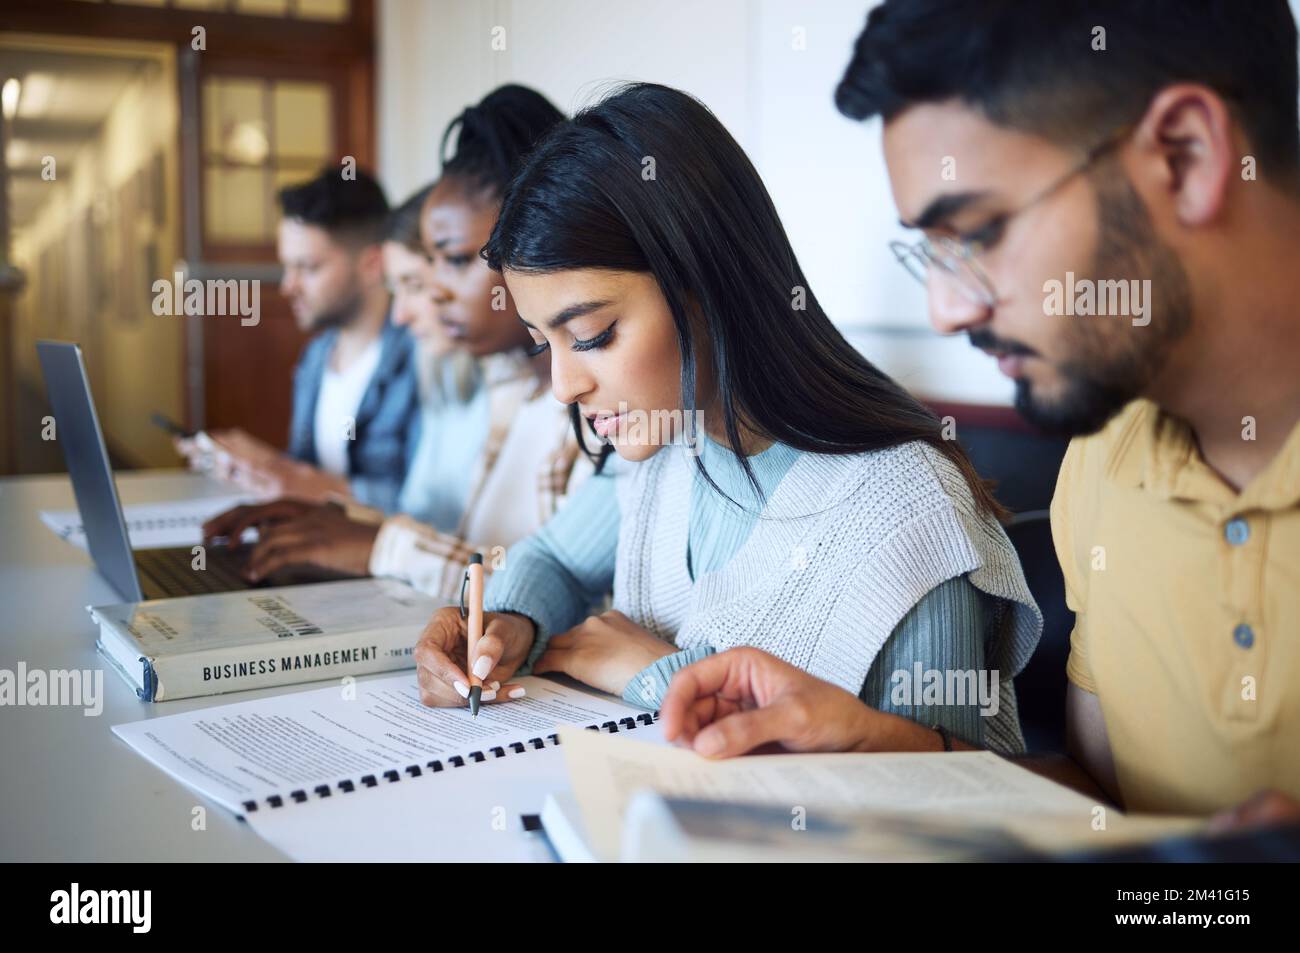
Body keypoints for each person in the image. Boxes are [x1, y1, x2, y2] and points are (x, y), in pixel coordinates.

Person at [661, 0, 1300, 827]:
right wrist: (883, 749)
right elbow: (1110, 806)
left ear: (1185, 155)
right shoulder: (1105, 456)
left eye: (981, 231)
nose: (945, 311)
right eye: (930, 250)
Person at [412, 83, 1042, 754]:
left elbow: (956, 786)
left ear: (707, 283)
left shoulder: (905, 509)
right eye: (543, 342)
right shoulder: (666, 442)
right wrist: (507, 621)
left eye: (592, 334)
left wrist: (655, 672)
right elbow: (557, 559)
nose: (565, 385)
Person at [203, 86, 588, 618]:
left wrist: (379, 542)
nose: (429, 295)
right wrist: (340, 521)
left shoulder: (595, 410)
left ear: (535, 242)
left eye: (452, 261)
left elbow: (562, 604)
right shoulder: (507, 388)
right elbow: (487, 558)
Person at [181, 167, 419, 511]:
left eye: (307, 268)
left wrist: (290, 476)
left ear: (371, 264)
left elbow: (425, 509)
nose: (287, 286)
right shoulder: (315, 357)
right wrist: (255, 465)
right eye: (286, 267)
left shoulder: (420, 357)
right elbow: (305, 478)